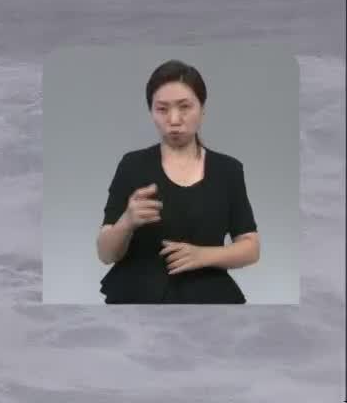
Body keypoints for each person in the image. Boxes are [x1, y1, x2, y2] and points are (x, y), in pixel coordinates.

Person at [95, 59, 260, 303]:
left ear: (202, 109)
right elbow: (105, 254)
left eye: (185, 107)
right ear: (151, 111)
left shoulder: (228, 170)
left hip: (208, 297)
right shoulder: (132, 165)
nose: (174, 119)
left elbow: (251, 247)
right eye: (162, 109)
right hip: (136, 297)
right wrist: (126, 221)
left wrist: (202, 255)